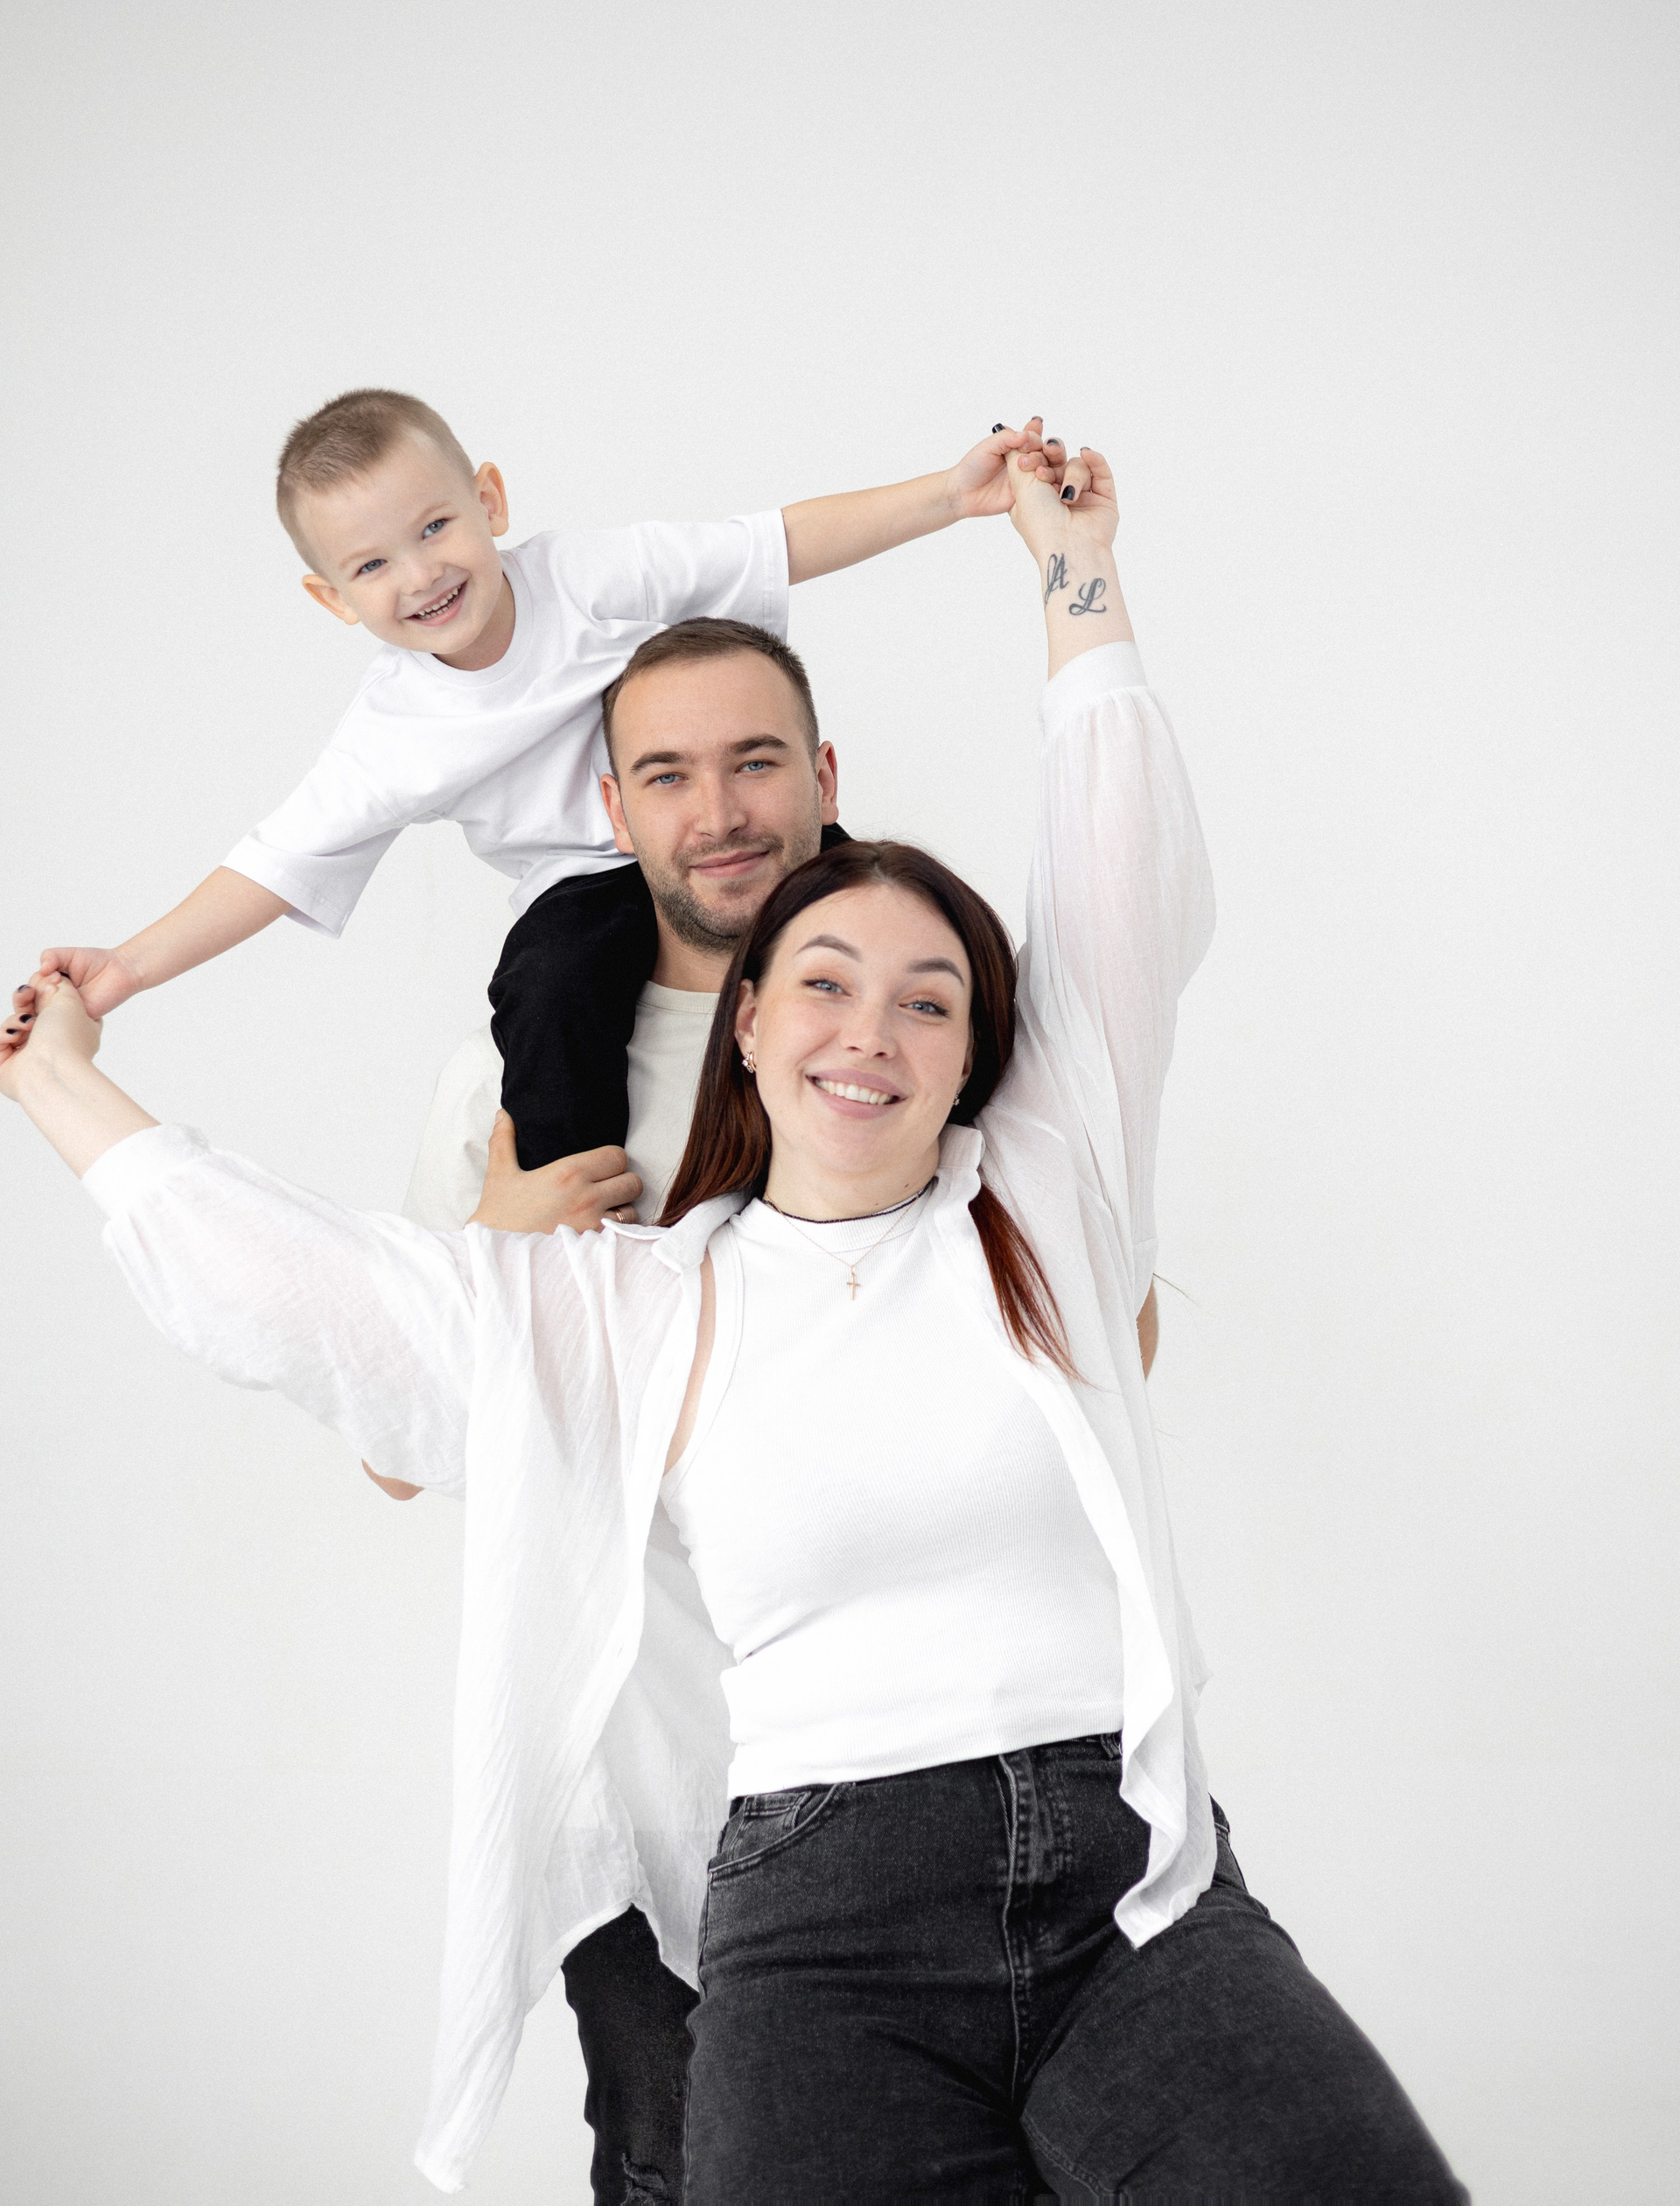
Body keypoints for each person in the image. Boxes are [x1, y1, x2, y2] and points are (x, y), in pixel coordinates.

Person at [1, 438, 1464, 2199]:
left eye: (928, 1002)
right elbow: (329, 1311)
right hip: (767, 1863)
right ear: (751, 1029)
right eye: (826, 988)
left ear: (978, 1047)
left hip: (1125, 1866)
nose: (872, 1031)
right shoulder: (636, 1279)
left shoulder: (1035, 1178)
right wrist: (62, 1082)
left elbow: (1116, 868)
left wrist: (1074, 573)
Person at [386, 590, 1158, 2202]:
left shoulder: (929, 1022)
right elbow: (401, 1449)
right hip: (645, 1766)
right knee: (678, 2165)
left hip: (930, 1766)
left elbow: (1113, 1336)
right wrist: (498, 1247)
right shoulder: (519, 1074)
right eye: (668, 775)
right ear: (615, 811)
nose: (719, 810)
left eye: (755, 761)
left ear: (824, 774)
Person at [24, 389, 1039, 1172]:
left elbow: (773, 543)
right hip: (585, 886)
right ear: (332, 599)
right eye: (372, 566)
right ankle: (574, 1204)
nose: (420, 575)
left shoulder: (587, 578)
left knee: (900, 915)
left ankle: (979, 1123)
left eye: (434, 528)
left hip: (722, 830)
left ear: (490, 502)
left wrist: (951, 497)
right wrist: (127, 969)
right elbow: (273, 863)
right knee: (548, 992)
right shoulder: (393, 733)